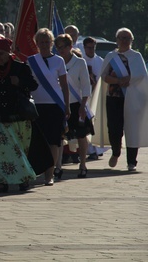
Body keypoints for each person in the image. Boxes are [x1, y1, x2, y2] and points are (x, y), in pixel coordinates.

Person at [0, 37, 38, 192]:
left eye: (2, 53)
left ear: (9, 53)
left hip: (18, 115)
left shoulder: (20, 68)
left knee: (18, 150)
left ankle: (23, 179)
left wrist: (19, 82)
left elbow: (33, 85)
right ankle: (0, 181)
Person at [94, 28, 148, 171]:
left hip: (133, 98)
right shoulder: (111, 56)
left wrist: (128, 79)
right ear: (117, 40)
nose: (124, 41)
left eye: (127, 38)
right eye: (121, 38)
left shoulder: (136, 56)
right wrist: (118, 81)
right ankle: (116, 152)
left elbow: (142, 76)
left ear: (131, 41)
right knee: (114, 128)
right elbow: (104, 76)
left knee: (132, 128)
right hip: (113, 97)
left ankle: (132, 162)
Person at [28, 28, 70, 186]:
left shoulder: (58, 61)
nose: (44, 45)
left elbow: (64, 86)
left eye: (47, 42)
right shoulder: (31, 60)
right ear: (36, 43)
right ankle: (35, 171)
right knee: (38, 141)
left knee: (53, 141)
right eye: (41, 42)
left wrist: (67, 106)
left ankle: (49, 175)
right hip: (37, 106)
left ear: (52, 43)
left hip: (55, 106)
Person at [54, 34, 93, 178]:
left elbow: (86, 86)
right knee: (58, 136)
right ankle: (57, 167)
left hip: (77, 104)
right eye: (57, 47)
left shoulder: (79, 62)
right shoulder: (55, 62)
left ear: (70, 47)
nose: (60, 50)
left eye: (62, 47)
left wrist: (83, 105)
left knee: (81, 136)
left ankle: (82, 164)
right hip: (60, 104)